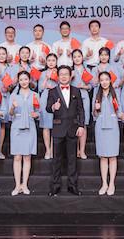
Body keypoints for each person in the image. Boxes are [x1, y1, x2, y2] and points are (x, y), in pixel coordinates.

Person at [46, 65, 86, 196]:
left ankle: (72, 186)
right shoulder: (52, 91)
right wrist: (53, 107)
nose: (63, 76)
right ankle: (55, 186)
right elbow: (47, 108)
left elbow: (81, 110)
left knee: (72, 159)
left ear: (70, 76)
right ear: (58, 76)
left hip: (72, 129)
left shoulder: (76, 90)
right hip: (58, 129)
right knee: (56, 160)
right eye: (61, 74)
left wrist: (81, 125)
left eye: (66, 74)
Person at [92, 72, 124, 195]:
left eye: (106, 79)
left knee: (112, 156)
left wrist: (121, 115)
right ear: (99, 82)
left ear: (110, 80)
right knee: (103, 156)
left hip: (113, 126)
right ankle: (104, 183)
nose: (104, 82)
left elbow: (120, 111)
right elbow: (94, 114)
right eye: (102, 80)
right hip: (100, 126)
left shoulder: (116, 93)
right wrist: (96, 109)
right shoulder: (97, 94)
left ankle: (111, 183)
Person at [8, 71, 40, 196]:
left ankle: (25, 184)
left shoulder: (35, 95)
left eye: (26, 79)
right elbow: (10, 114)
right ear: (18, 81)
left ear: (29, 80)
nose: (24, 82)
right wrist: (12, 107)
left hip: (30, 126)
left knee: (27, 157)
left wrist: (36, 114)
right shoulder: (13, 95)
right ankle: (17, 185)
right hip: (17, 126)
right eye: (21, 80)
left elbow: (39, 112)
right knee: (17, 157)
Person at [70, 49, 91, 159]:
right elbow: (64, 84)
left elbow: (92, 85)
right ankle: (76, 150)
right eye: (75, 57)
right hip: (73, 98)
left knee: (83, 124)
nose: (77, 59)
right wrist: (71, 77)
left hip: (84, 97)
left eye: (79, 56)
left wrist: (84, 86)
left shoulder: (87, 70)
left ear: (82, 57)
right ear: (72, 59)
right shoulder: (70, 70)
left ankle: (82, 151)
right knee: (74, 124)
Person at [39, 53, 59, 159]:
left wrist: (54, 78)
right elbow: (40, 88)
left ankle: (53, 150)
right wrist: (47, 79)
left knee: (55, 125)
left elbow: (62, 85)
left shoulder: (59, 72)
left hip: (56, 98)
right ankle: (47, 150)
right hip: (45, 98)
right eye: (49, 60)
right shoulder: (42, 73)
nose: (51, 62)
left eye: (53, 60)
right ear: (46, 62)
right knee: (46, 126)